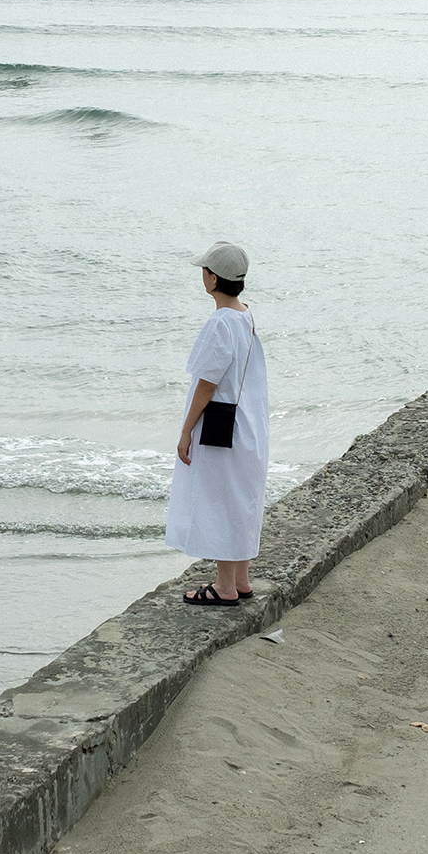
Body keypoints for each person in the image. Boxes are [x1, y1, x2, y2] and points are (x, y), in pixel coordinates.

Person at [165, 241, 269, 606]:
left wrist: (185, 431)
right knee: (241, 500)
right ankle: (240, 579)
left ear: (213, 279)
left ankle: (225, 587)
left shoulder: (220, 322)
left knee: (221, 499)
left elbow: (207, 383)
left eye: (204, 271)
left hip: (221, 425)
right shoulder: (245, 315)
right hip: (248, 423)